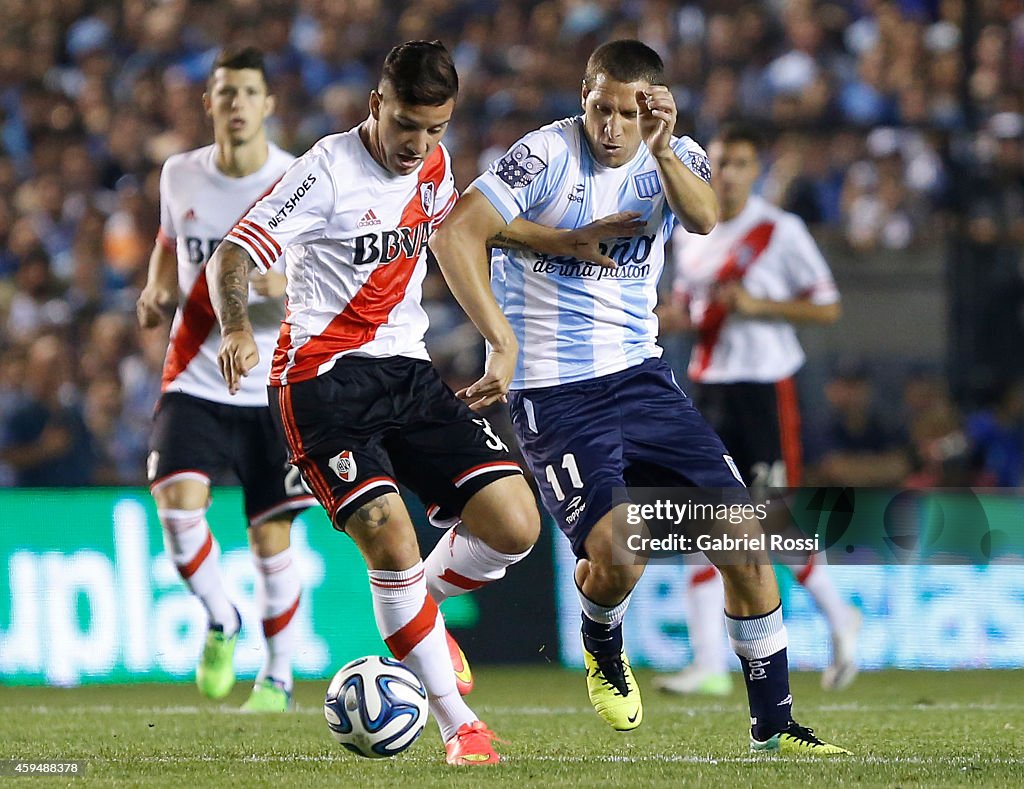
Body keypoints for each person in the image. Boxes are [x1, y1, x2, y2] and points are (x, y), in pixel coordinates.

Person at [206, 40, 624, 766]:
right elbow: (233, 254)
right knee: (391, 541)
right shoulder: (325, 173)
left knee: (516, 522)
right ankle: (462, 724)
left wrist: (559, 238)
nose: (419, 144)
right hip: (322, 382)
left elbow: (451, 227)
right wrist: (239, 326)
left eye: (435, 128)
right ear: (376, 105)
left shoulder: (432, 163)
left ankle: (419, 616)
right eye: (406, 125)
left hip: (407, 373)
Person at [431, 40, 850, 755]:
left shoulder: (676, 155)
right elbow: (454, 233)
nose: (612, 126)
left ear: (651, 107)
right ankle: (602, 638)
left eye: (628, 112)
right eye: (601, 108)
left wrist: (661, 148)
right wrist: (501, 339)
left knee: (744, 540)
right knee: (622, 552)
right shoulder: (544, 156)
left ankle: (774, 726)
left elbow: (705, 218)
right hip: (555, 390)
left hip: (643, 379)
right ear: (584, 97)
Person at [136, 47, 316, 713]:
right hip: (195, 375)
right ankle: (220, 618)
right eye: (225, 92)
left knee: (271, 538)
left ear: (268, 104)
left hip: (272, 382)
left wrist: (279, 284)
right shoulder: (179, 174)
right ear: (208, 104)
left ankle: (277, 675)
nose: (236, 103)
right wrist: (158, 290)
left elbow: (319, 273)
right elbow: (167, 240)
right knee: (176, 504)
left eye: (248, 91)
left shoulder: (295, 178)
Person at [656, 124, 862, 696]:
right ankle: (708, 663)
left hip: (766, 389)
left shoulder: (779, 230)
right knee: (699, 518)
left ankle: (838, 613)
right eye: (718, 162)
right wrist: (669, 319)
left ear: (755, 169)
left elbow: (827, 307)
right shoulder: (689, 229)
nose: (725, 174)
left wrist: (757, 304)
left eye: (739, 164)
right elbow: (688, 307)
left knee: (768, 518)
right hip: (709, 384)